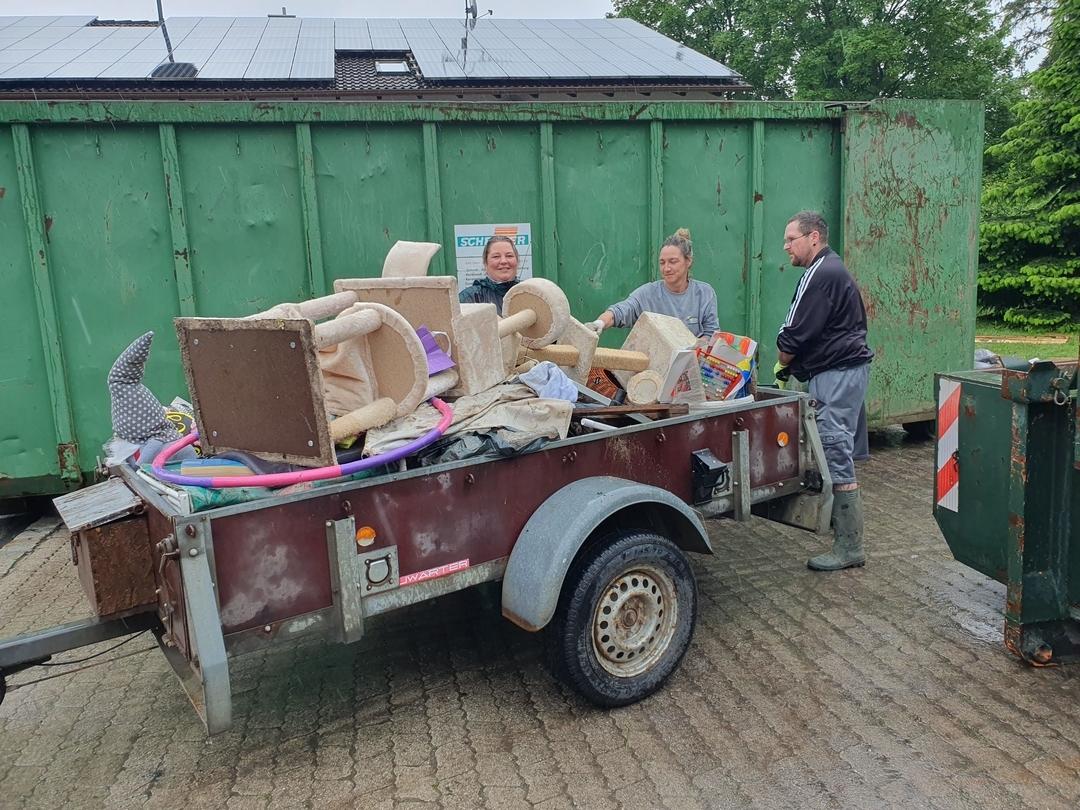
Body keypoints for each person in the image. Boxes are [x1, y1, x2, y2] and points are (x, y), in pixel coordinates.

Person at [774, 210, 874, 571]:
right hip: (837, 371)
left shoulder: (822, 273)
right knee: (836, 446)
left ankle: (850, 546)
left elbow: (793, 334)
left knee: (834, 448)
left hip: (837, 373)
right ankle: (846, 537)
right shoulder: (829, 269)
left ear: (813, 237)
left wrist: (783, 362)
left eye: (791, 239)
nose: (785, 247)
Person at [587, 228, 719, 339]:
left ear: (688, 261)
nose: (666, 268)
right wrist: (600, 323)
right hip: (654, 366)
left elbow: (712, 335)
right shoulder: (647, 293)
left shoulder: (705, 293)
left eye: (672, 261)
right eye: (662, 262)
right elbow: (620, 311)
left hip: (694, 365)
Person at [458, 235, 521, 312]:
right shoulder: (470, 297)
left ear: (517, 261)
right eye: (496, 256)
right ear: (485, 263)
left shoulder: (527, 293)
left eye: (509, 256)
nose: (503, 261)